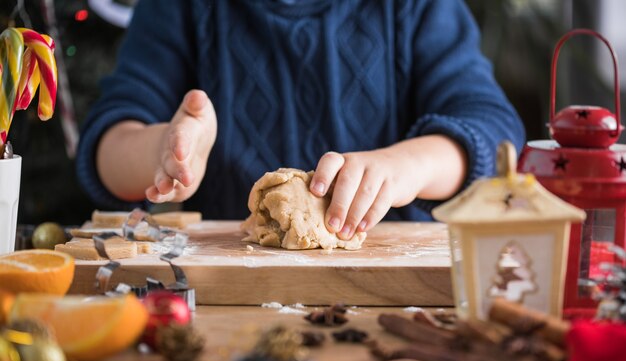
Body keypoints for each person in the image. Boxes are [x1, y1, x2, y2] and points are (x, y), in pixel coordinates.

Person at [77, 0, 525, 241]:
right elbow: (108, 144)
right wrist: (165, 153)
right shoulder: (182, 8)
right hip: (234, 292)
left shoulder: (418, 7)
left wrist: (407, 166)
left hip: (394, 293)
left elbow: (492, 126)